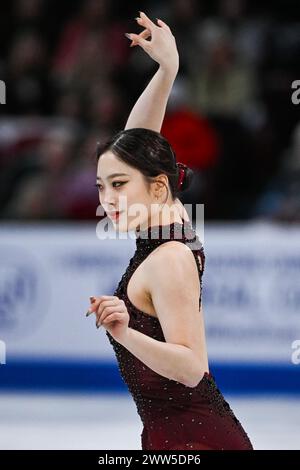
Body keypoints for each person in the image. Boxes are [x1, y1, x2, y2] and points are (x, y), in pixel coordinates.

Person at [86, 11, 253, 450]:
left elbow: (192, 367)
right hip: (174, 435)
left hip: (195, 441)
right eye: (102, 186)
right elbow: (138, 144)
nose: (108, 199)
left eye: (119, 186)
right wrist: (167, 71)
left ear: (159, 186)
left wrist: (124, 332)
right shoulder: (166, 219)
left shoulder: (170, 258)